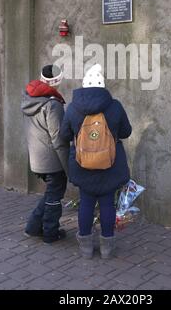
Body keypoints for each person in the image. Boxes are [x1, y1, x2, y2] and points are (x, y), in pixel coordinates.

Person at [60, 63, 132, 259]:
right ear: (102, 86)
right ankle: (107, 248)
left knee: (86, 203)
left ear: (84, 85)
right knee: (108, 204)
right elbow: (126, 131)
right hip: (110, 164)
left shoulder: (73, 108)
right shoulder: (115, 106)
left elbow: (63, 135)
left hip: (83, 164)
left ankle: (85, 248)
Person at [21, 64, 69, 244]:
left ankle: (33, 227)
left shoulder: (28, 99)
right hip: (52, 160)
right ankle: (50, 233)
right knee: (55, 197)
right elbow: (59, 139)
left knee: (50, 193)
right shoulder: (52, 105)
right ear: (57, 81)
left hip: (36, 158)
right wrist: (68, 167)